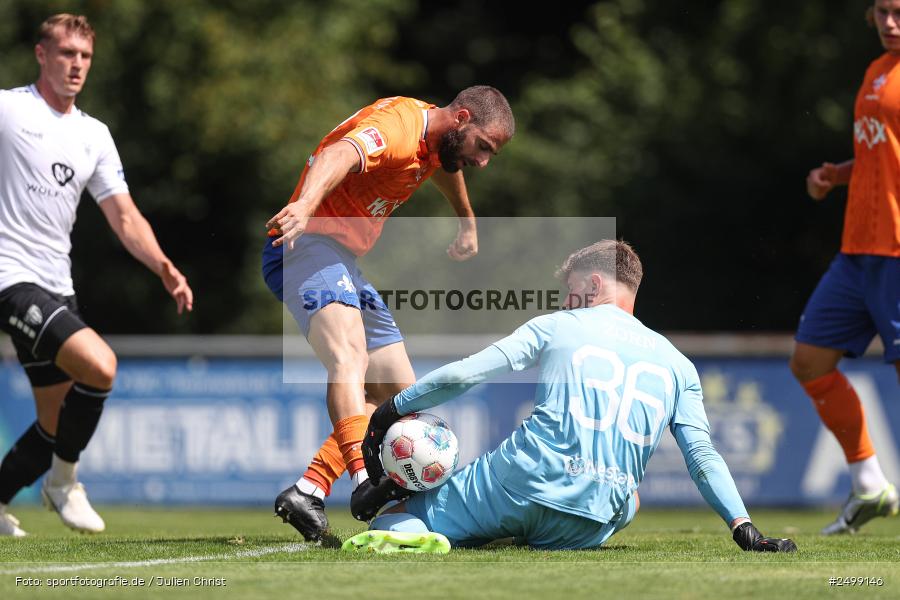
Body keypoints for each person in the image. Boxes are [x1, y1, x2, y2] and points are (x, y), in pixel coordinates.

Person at [347, 241, 797, 553]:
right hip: (594, 516)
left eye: (572, 291)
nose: (566, 301)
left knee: (394, 517)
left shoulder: (559, 325)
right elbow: (702, 456)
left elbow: (467, 374)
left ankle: (433, 529)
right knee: (633, 499)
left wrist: (391, 409)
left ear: (596, 285)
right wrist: (744, 527)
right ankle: (511, 530)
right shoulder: (679, 364)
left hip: (522, 486)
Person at [262, 87, 514, 541]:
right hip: (307, 244)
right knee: (351, 360)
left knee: (400, 394)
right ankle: (364, 481)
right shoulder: (398, 129)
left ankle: (308, 489)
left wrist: (467, 219)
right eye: (484, 147)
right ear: (461, 118)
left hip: (342, 260)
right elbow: (339, 153)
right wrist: (304, 205)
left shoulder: (437, 139)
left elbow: (444, 168)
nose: (483, 162)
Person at [0, 14, 193, 537]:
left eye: (84, 56)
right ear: (42, 55)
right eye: (66, 54)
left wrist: (163, 265)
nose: (76, 65)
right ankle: (64, 483)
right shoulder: (9, 109)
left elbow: (125, 216)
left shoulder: (94, 135)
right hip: (9, 279)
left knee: (54, 421)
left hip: (57, 285)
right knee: (101, 366)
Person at [793, 0, 900, 535]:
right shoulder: (877, 72)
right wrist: (837, 175)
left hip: (898, 252)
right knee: (810, 361)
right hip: (858, 250)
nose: (889, 23)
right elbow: (884, 159)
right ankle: (869, 485)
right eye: (881, 11)